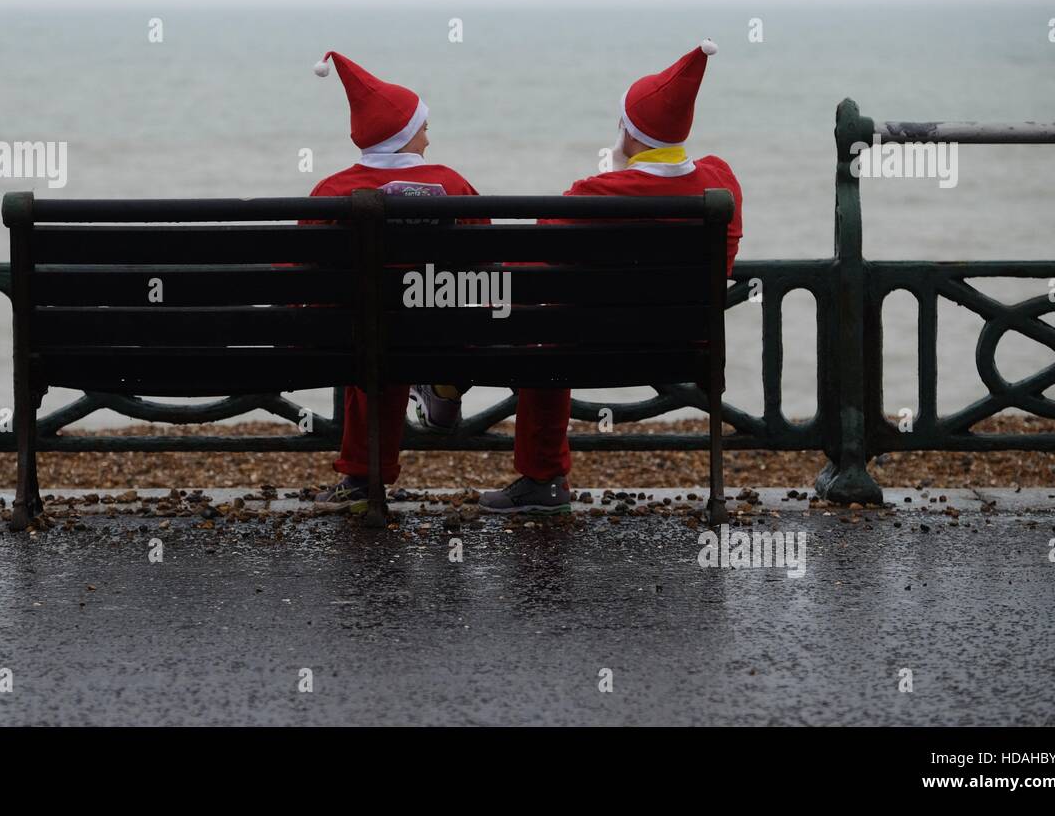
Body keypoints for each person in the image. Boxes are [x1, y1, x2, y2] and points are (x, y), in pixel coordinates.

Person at [479, 39, 744, 514]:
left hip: (586, 351)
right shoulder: (722, 185)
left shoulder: (595, 194)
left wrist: (619, 172)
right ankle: (717, 490)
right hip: (687, 347)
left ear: (629, 133)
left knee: (543, 328)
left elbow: (541, 252)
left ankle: (544, 479)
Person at [306, 51, 482, 502]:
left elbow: (301, 270)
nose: (428, 135)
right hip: (440, 330)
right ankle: (439, 379)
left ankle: (364, 478)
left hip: (350, 334)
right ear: (404, 136)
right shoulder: (453, 185)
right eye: (422, 126)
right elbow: (486, 255)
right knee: (402, 322)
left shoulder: (330, 191)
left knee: (367, 332)